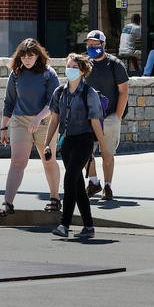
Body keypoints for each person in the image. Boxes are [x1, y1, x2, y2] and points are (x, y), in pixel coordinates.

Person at [45, 53, 109, 239]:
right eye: (68, 66)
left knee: (70, 177)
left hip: (84, 140)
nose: (70, 70)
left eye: (74, 67)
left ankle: (64, 224)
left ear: (82, 71)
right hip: (68, 142)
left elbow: (95, 122)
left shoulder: (88, 93)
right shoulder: (60, 92)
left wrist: (103, 148)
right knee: (78, 186)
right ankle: (88, 226)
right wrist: (48, 143)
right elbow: (54, 119)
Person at [0, 38, 61, 217]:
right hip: (20, 121)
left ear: (38, 56)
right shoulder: (16, 73)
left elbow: (54, 102)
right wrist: (3, 128)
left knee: (48, 161)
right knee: (17, 162)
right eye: (23, 57)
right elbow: (8, 101)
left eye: (31, 56)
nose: (27, 60)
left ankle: (55, 199)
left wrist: (38, 118)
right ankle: (7, 203)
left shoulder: (49, 73)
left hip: (45, 121)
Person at [82, 30, 129, 200]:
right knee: (85, 151)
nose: (92, 47)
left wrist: (117, 116)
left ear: (103, 44)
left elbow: (124, 92)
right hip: (89, 116)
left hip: (109, 115)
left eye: (95, 44)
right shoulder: (85, 64)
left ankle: (107, 186)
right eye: (89, 44)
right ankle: (93, 182)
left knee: (107, 153)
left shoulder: (115, 64)